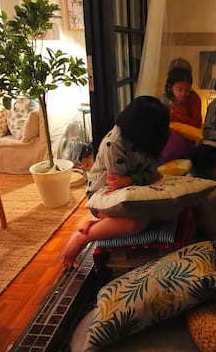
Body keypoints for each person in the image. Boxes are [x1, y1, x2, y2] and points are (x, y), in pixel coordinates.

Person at [60, 96, 170, 269]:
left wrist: (131, 179)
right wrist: (139, 179)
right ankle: (84, 237)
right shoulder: (115, 143)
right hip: (104, 195)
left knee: (164, 211)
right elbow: (118, 191)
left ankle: (99, 224)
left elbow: (153, 173)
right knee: (136, 222)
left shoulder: (150, 142)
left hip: (131, 190)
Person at [159, 66, 203, 162]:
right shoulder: (165, 100)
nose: (184, 93)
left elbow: (196, 123)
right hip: (167, 137)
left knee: (175, 141)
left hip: (187, 139)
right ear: (171, 88)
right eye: (179, 90)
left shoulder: (194, 98)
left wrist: (178, 117)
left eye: (187, 90)